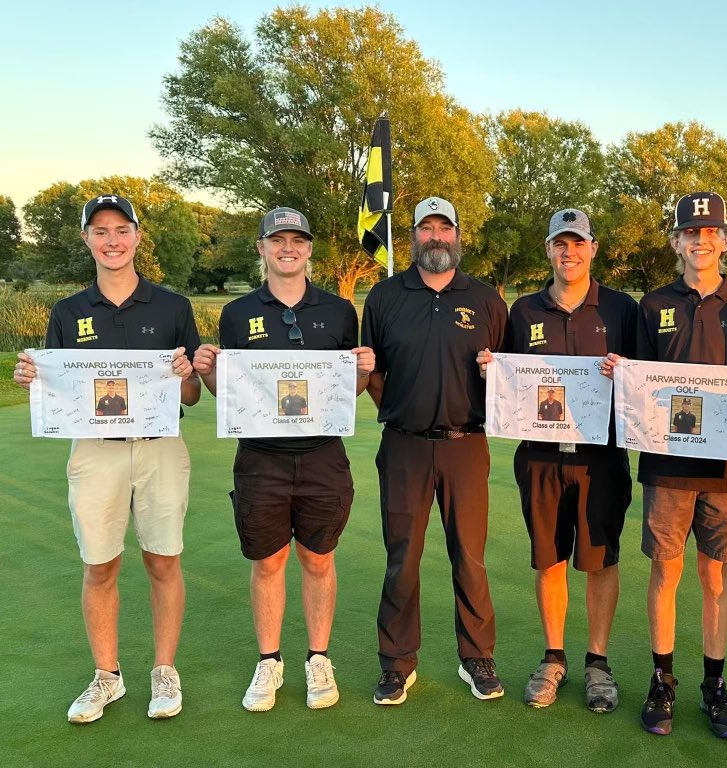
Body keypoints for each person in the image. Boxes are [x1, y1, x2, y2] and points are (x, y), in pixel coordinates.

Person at [13, 194, 201, 722]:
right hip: (96, 453)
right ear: (87, 240)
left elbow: (190, 398)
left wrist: (186, 378)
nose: (112, 240)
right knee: (100, 565)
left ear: (138, 236)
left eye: (121, 230)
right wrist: (30, 380)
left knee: (163, 559)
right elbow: (56, 392)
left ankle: (164, 670)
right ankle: (107, 676)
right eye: (101, 231)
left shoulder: (172, 306)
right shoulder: (68, 312)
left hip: (161, 448)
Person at [192, 207, 375, 712]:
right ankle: (269, 661)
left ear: (310, 248)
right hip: (260, 459)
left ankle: (319, 659)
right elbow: (229, 394)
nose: (288, 248)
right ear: (262, 248)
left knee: (318, 559)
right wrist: (208, 372)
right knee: (268, 562)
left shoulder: (340, 311)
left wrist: (363, 369)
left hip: (322, 457)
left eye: (297, 239)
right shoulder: (236, 313)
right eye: (278, 240)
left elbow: (347, 393)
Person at [613, 192, 727, 739]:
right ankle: (663, 678)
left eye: (710, 232)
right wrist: (620, 374)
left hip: (723, 467)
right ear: (676, 241)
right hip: (667, 463)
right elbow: (636, 383)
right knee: (666, 570)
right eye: (690, 233)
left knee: (716, 574)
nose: (700, 241)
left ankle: (714, 685)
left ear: (724, 240)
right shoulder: (651, 305)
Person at [480, 208, 637, 712]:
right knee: (548, 557)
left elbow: (645, 378)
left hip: (601, 459)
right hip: (541, 459)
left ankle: (597, 661)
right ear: (548, 250)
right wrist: (493, 370)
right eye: (559, 244)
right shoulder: (524, 311)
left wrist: (628, 373)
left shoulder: (620, 310)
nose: (569, 252)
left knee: (599, 559)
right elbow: (508, 379)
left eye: (578, 243)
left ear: (594, 248)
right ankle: (553, 657)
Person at [362, 196, 508, 705]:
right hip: (404, 446)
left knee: (469, 556)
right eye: (426, 228)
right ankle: (397, 663)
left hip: (466, 446)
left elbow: (507, 379)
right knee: (403, 557)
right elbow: (372, 372)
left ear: (458, 235)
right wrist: (404, 408)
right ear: (413, 237)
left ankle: (477, 657)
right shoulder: (384, 297)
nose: (436, 237)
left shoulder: (488, 300)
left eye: (445, 227)